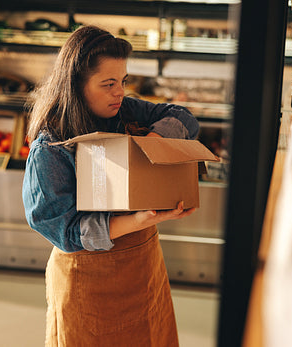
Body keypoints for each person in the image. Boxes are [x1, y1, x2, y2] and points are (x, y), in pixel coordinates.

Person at [22, 25, 199, 346]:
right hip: (86, 281)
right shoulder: (51, 145)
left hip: (144, 270)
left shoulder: (125, 110)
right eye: (108, 84)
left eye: (123, 81)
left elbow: (182, 116)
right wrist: (137, 220)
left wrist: (152, 142)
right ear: (76, 85)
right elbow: (64, 231)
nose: (119, 92)